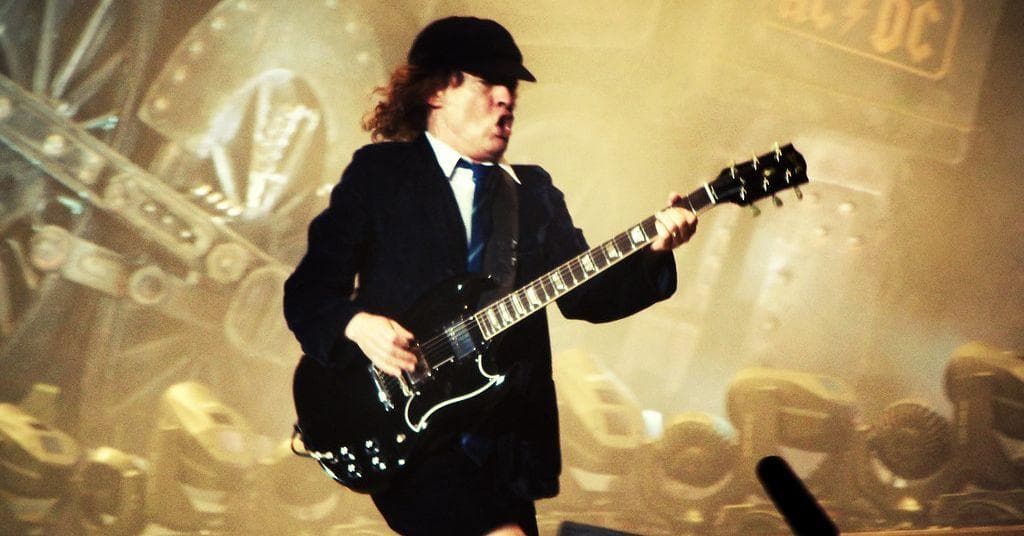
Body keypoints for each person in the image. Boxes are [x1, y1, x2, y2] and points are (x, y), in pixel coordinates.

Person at [283, 16, 697, 536]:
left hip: (504, 445)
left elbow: (587, 296)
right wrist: (359, 326)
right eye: (488, 84)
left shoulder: (532, 193)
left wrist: (655, 248)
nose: (507, 99)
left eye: (512, 87)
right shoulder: (381, 176)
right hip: (410, 431)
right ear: (436, 92)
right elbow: (308, 293)